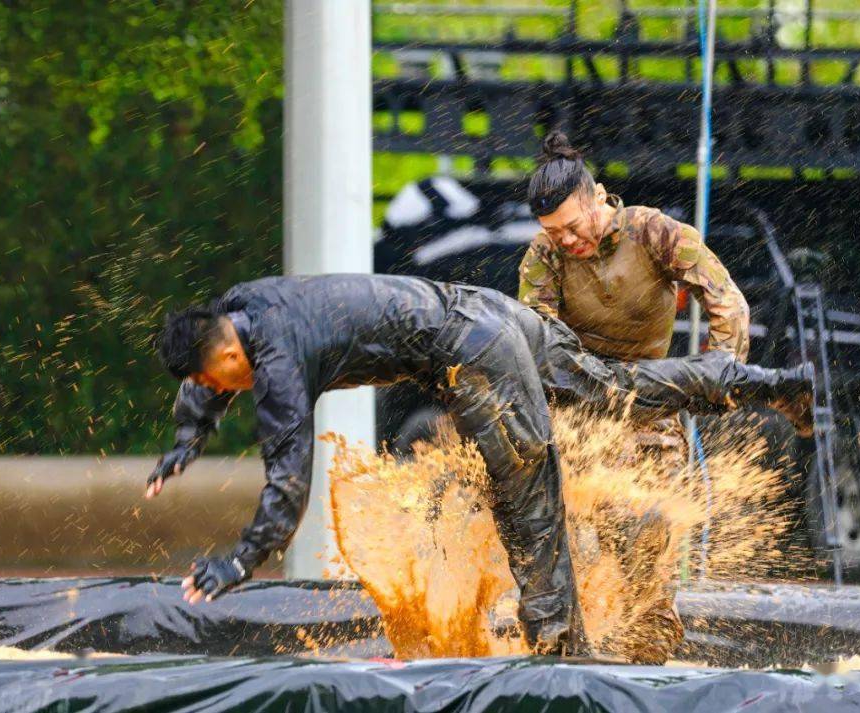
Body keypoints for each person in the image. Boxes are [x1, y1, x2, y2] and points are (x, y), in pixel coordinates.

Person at [145, 274, 813, 657]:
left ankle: (561, 654)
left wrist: (240, 558)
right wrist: (187, 438)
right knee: (613, 390)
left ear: (228, 357)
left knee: (525, 495)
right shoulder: (239, 307)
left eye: (222, 385)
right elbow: (198, 381)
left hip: (472, 354)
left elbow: (289, 483)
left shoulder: (280, 365)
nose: (226, 392)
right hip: (489, 310)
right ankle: (770, 382)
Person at [517, 131, 755, 661]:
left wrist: (716, 375)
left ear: (598, 197)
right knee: (573, 532)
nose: (567, 241)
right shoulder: (544, 257)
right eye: (554, 233)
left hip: (652, 403)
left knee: (648, 536)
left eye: (574, 227)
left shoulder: (655, 233)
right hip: (579, 411)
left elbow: (730, 305)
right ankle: (564, 647)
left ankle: (649, 647)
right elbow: (536, 341)